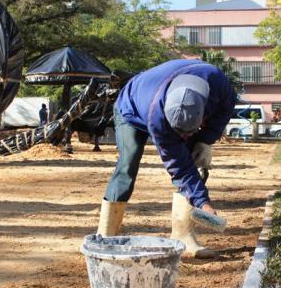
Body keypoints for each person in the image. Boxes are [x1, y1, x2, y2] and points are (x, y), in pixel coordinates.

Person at [98, 59, 236, 258]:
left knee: (192, 157)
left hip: (159, 99)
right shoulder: (158, 120)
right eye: (178, 132)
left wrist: (205, 140)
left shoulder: (217, 83)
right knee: (129, 161)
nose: (184, 137)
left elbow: (225, 109)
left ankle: (183, 236)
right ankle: (106, 234)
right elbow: (179, 169)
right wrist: (204, 203)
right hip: (130, 108)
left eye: (188, 131)